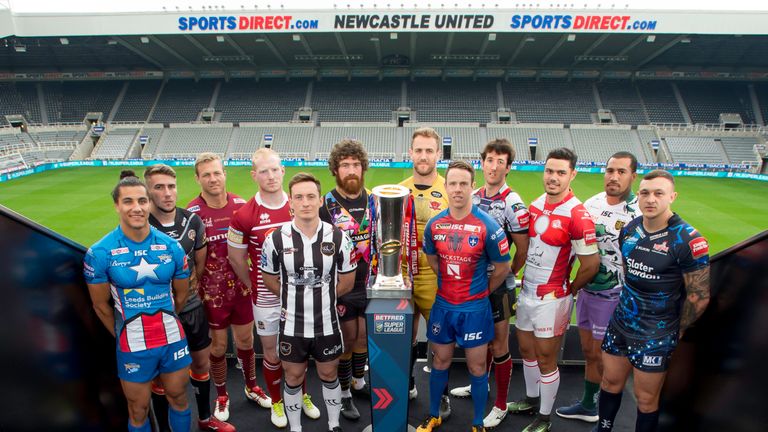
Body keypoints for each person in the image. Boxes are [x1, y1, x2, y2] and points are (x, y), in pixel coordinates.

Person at [597, 169, 710, 432]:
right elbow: (628, 272)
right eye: (645, 193)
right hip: (621, 323)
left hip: (656, 334)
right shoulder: (629, 230)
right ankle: (602, 429)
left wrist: (677, 330)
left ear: (672, 196)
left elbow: (699, 297)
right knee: (609, 383)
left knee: (646, 400)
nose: (650, 199)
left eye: (659, 193)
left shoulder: (688, 239)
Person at [84, 171, 192, 432]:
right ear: (117, 206)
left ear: (149, 204)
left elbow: (181, 294)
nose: (137, 208)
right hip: (132, 345)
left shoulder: (171, 246)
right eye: (128, 201)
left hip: (171, 338)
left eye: (142, 201)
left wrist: (166, 319)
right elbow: (100, 306)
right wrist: (125, 334)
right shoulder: (100, 252)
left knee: (179, 398)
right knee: (138, 410)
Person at [227, 149, 321, 428]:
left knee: (300, 350)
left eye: (275, 169)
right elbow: (236, 258)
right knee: (271, 353)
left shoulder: (299, 203)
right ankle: (277, 402)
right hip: (266, 297)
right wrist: (254, 286)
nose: (270, 176)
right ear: (254, 175)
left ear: (283, 171)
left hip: (301, 294)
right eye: (263, 171)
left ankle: (302, 396)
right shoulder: (244, 215)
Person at [416, 160, 511, 432]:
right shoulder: (434, 225)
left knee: (478, 368)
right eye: (453, 183)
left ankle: (477, 423)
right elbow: (434, 261)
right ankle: (434, 415)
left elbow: (503, 266)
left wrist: (481, 290)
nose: (458, 189)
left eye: (463, 184)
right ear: (445, 187)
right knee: (440, 363)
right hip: (444, 307)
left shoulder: (488, 226)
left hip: (474, 310)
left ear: (472, 187)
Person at [509, 147, 601, 432]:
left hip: (553, 298)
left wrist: (568, 290)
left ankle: (545, 418)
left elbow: (591, 265)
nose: (553, 177)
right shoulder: (536, 204)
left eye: (561, 172)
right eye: (549, 171)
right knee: (526, 349)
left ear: (572, 174)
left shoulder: (578, 214)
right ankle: (530, 399)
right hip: (527, 292)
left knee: (547, 357)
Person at [260, 172, 357, 432]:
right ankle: (295, 427)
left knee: (329, 375)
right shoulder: (275, 239)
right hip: (291, 326)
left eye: (311, 196)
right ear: (290, 202)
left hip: (327, 323)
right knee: (293, 376)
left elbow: (347, 280)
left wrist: (321, 297)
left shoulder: (338, 237)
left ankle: (334, 424)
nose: (305, 202)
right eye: (299, 197)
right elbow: (269, 280)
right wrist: (296, 296)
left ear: (319, 201)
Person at [144, 164, 235, 432]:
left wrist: (186, 292)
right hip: (159, 312)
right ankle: (164, 427)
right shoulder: (140, 225)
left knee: (201, 363)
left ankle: (205, 419)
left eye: (171, 186)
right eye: (159, 187)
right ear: (148, 191)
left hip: (192, 306)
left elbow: (199, 265)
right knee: (163, 377)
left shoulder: (192, 222)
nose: (167, 193)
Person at [448, 139, 530, 429]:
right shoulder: (475, 194)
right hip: (471, 284)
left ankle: (500, 403)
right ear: (482, 162)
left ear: (508, 167)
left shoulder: (513, 203)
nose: (493, 166)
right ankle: (477, 384)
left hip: (498, 288)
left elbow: (522, 249)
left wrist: (505, 275)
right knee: (477, 342)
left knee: (498, 344)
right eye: (489, 160)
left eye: (500, 161)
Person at [555, 152, 639, 424]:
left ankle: (605, 413)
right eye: (610, 170)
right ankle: (589, 404)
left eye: (621, 172)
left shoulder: (638, 212)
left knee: (606, 356)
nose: (614, 177)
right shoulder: (591, 204)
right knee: (589, 351)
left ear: (632, 176)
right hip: (588, 292)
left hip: (616, 297)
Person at [187, 152, 271, 422]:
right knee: (218, 347)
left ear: (225, 174)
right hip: (211, 294)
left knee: (246, 341)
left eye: (217, 172)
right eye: (206, 174)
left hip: (242, 289)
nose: (213, 178)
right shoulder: (192, 214)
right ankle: (222, 394)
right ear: (198, 178)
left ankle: (251, 387)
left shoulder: (240, 205)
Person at [319, 139, 373, 421]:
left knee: (364, 335)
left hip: (369, 281)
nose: (351, 170)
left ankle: (358, 381)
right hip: (339, 285)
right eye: (344, 165)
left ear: (362, 168)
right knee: (347, 339)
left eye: (355, 164)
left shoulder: (373, 200)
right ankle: (343, 393)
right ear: (336, 169)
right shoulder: (325, 205)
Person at [398, 127, 451, 419]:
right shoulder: (400, 188)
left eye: (429, 150)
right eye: (418, 150)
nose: (423, 156)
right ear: (410, 153)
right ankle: (406, 383)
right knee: (404, 335)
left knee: (441, 340)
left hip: (435, 277)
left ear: (438, 154)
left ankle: (442, 396)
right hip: (404, 274)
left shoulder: (448, 188)